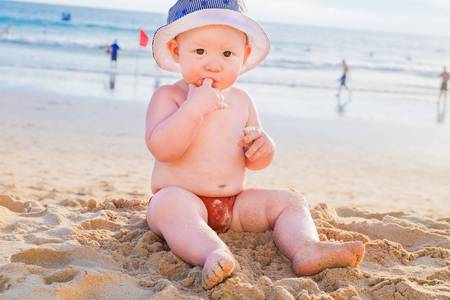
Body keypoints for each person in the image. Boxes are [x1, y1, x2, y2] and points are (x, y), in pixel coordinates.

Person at [145, 0, 365, 290]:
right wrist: (192, 110)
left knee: (290, 201)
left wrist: (263, 147)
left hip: (234, 206)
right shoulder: (170, 97)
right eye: (199, 51)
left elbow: (254, 161)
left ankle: (305, 248)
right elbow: (162, 149)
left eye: (227, 53)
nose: (213, 62)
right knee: (169, 207)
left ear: (244, 56)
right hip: (182, 198)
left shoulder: (242, 101)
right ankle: (213, 252)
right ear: (176, 51)